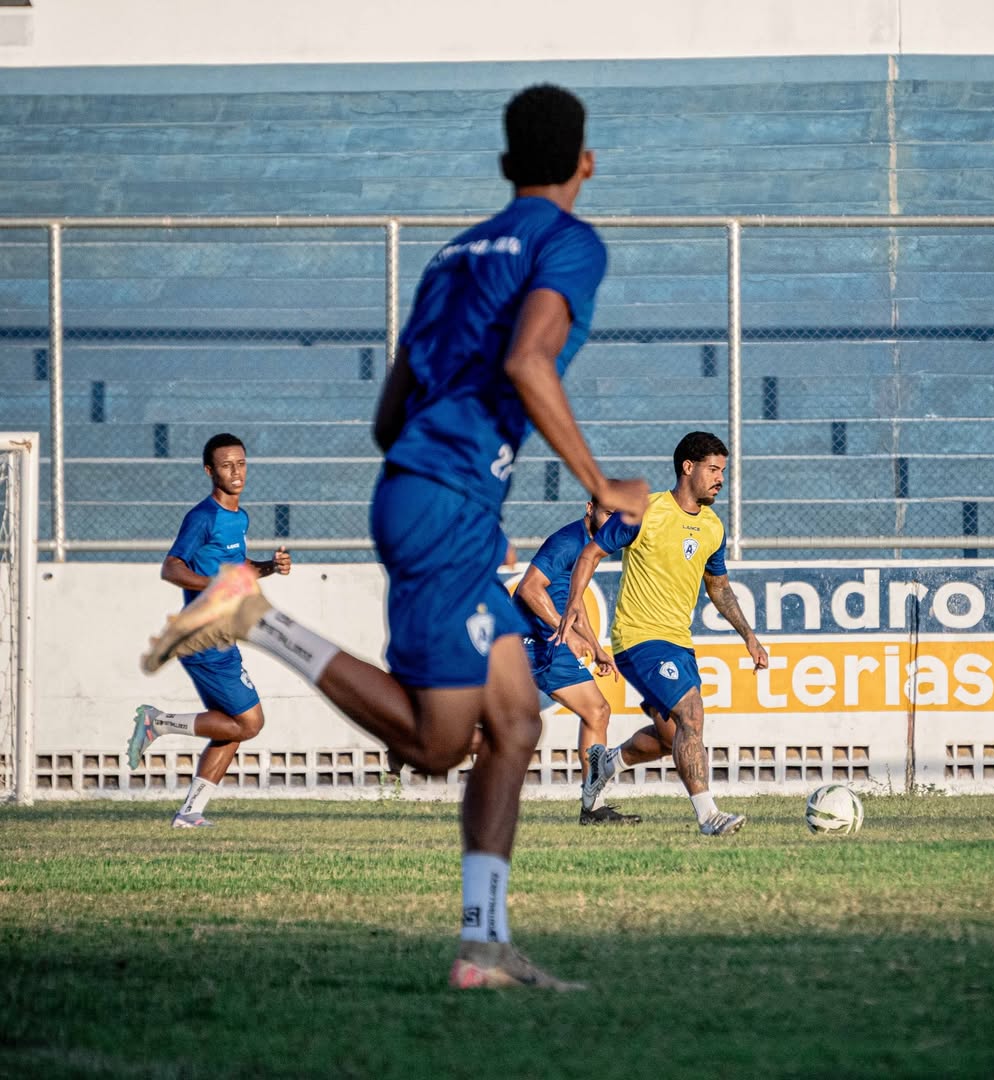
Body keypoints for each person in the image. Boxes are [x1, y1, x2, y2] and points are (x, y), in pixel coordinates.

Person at [139, 84, 649, 990]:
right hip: (448, 507)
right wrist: (599, 482)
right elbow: (528, 360)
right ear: (587, 163)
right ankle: (253, 615)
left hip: (428, 493)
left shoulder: (451, 257)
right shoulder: (566, 240)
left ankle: (483, 945)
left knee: (518, 718)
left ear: (503, 167)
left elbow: (389, 413)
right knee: (433, 745)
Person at [555, 431, 768, 837]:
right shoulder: (644, 512)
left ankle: (608, 763)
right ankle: (708, 816)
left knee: (670, 735)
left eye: (723, 470)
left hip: (678, 641)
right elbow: (590, 553)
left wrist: (749, 637)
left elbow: (718, 586)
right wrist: (572, 606)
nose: (720, 478)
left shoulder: (713, 527)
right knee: (692, 714)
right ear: (688, 467)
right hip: (638, 638)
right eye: (713, 469)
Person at [127, 432, 291, 828]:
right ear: (209, 471)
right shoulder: (202, 516)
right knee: (250, 723)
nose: (236, 472)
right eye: (226, 465)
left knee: (231, 727)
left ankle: (190, 813)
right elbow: (173, 568)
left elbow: (236, 568)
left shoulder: (240, 517)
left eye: (241, 463)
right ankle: (158, 722)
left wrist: (270, 566)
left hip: (221, 633)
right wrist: (214, 585)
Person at [512, 498, 641, 825]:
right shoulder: (568, 542)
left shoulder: (592, 545)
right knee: (518, 727)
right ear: (589, 508)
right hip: (528, 645)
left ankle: (592, 807)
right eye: (609, 513)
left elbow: (574, 602)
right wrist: (564, 631)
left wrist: (596, 648)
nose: (614, 521)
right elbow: (529, 588)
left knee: (596, 711)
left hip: (547, 644)